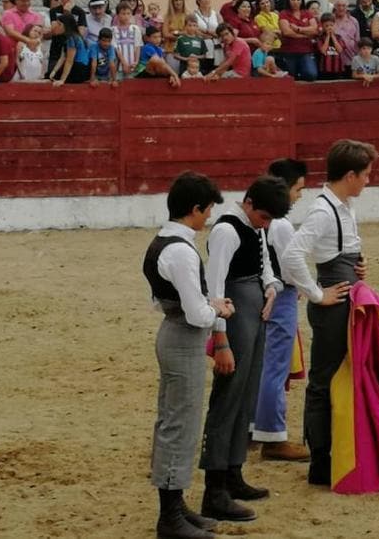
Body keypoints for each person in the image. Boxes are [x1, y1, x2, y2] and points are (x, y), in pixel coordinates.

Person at [281, 140, 377, 485]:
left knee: (340, 374)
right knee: (324, 380)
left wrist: (357, 268)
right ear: (350, 175)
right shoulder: (324, 211)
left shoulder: (343, 205)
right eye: (365, 175)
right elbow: (292, 256)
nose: (368, 180)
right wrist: (318, 294)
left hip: (345, 300)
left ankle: (334, 452)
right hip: (333, 307)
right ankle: (320, 461)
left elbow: (343, 250)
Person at [144, 171, 231, 539]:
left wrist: (206, 304)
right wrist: (219, 311)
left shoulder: (164, 242)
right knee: (180, 424)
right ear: (195, 209)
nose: (209, 217)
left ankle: (176, 506)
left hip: (176, 332)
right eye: (208, 209)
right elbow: (196, 314)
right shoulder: (180, 249)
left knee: (175, 421)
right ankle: (169, 517)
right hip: (184, 338)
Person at [198, 176, 291, 523]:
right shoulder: (226, 231)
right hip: (234, 315)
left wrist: (271, 286)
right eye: (263, 217)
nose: (265, 225)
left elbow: (265, 265)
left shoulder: (255, 226)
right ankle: (215, 488)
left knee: (246, 395)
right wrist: (219, 336)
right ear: (248, 203)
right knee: (229, 396)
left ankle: (233, 473)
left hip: (254, 312)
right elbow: (216, 285)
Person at [251, 160, 313, 461]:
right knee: (274, 366)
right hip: (281, 296)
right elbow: (292, 268)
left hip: (259, 295)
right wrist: (309, 288)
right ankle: (272, 437)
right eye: (298, 189)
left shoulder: (254, 219)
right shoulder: (282, 224)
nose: (299, 196)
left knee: (260, 364)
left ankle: (250, 428)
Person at [112, 2, 144, 80]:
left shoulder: (135, 29)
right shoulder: (113, 30)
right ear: (118, 15)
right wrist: (124, 63)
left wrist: (136, 62)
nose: (126, 16)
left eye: (128, 13)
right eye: (123, 14)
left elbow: (137, 46)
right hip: (119, 66)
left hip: (133, 65)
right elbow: (116, 49)